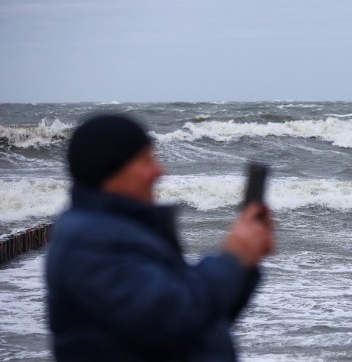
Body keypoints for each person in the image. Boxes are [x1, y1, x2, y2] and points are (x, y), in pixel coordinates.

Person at [45, 113, 275, 361]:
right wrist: (233, 258)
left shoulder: (123, 230)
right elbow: (174, 316)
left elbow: (203, 319)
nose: (159, 171)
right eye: (146, 160)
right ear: (112, 169)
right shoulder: (88, 241)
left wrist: (245, 266)